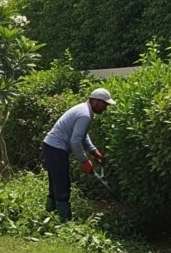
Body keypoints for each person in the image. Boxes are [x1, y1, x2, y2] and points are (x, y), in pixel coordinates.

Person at [41, 88, 115, 222]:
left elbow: (82, 136)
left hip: (51, 146)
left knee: (56, 184)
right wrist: (84, 161)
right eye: (105, 104)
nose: (106, 108)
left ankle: (49, 217)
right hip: (55, 148)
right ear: (96, 101)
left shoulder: (85, 110)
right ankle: (65, 223)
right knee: (62, 184)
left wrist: (94, 152)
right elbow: (75, 141)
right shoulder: (85, 114)